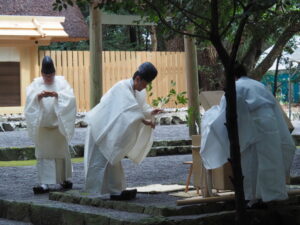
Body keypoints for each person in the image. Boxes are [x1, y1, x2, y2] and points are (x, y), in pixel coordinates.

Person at [200, 64, 296, 206]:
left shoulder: (235, 87)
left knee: (251, 164)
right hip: (270, 126)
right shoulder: (259, 85)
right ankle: (267, 196)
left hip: (250, 128)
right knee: (268, 163)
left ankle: (251, 198)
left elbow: (225, 113)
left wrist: (209, 116)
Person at [84, 62, 162, 200]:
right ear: (137, 78)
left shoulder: (138, 92)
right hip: (101, 127)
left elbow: (139, 108)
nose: (145, 86)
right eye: (145, 83)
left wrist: (150, 112)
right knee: (102, 159)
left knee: (114, 155)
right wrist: (144, 120)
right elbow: (128, 111)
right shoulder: (122, 87)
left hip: (111, 130)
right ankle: (112, 190)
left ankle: (116, 190)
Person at [25, 56, 76, 194]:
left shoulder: (62, 83)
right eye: (46, 75)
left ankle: (64, 179)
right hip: (43, 126)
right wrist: (38, 97)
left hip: (58, 126)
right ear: (42, 73)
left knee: (61, 153)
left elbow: (71, 98)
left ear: (54, 72)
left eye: (51, 75)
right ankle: (44, 183)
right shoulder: (36, 84)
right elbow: (29, 99)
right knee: (44, 154)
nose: (48, 78)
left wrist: (58, 95)